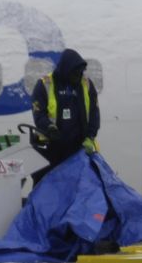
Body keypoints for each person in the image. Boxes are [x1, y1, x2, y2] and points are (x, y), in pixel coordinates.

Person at [31, 48, 100, 185]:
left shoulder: (86, 84)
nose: (78, 76)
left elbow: (94, 114)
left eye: (80, 73)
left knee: (80, 187)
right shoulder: (45, 84)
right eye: (75, 73)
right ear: (65, 69)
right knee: (46, 187)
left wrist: (90, 137)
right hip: (51, 148)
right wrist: (49, 127)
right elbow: (39, 113)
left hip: (78, 148)